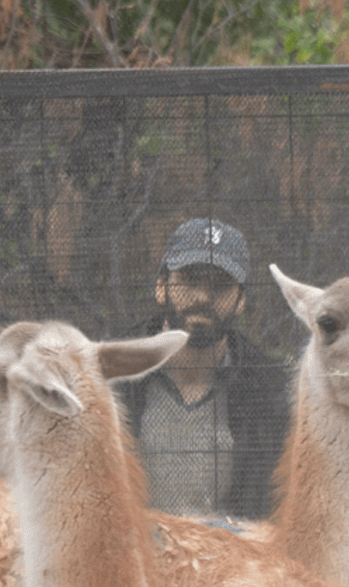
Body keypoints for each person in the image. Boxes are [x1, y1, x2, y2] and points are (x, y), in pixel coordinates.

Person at [112, 218, 283, 522]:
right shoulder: (111, 375)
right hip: (131, 560)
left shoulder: (271, 390)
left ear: (241, 300)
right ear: (162, 287)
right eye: (190, 280)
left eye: (220, 286)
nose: (203, 297)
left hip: (231, 564)